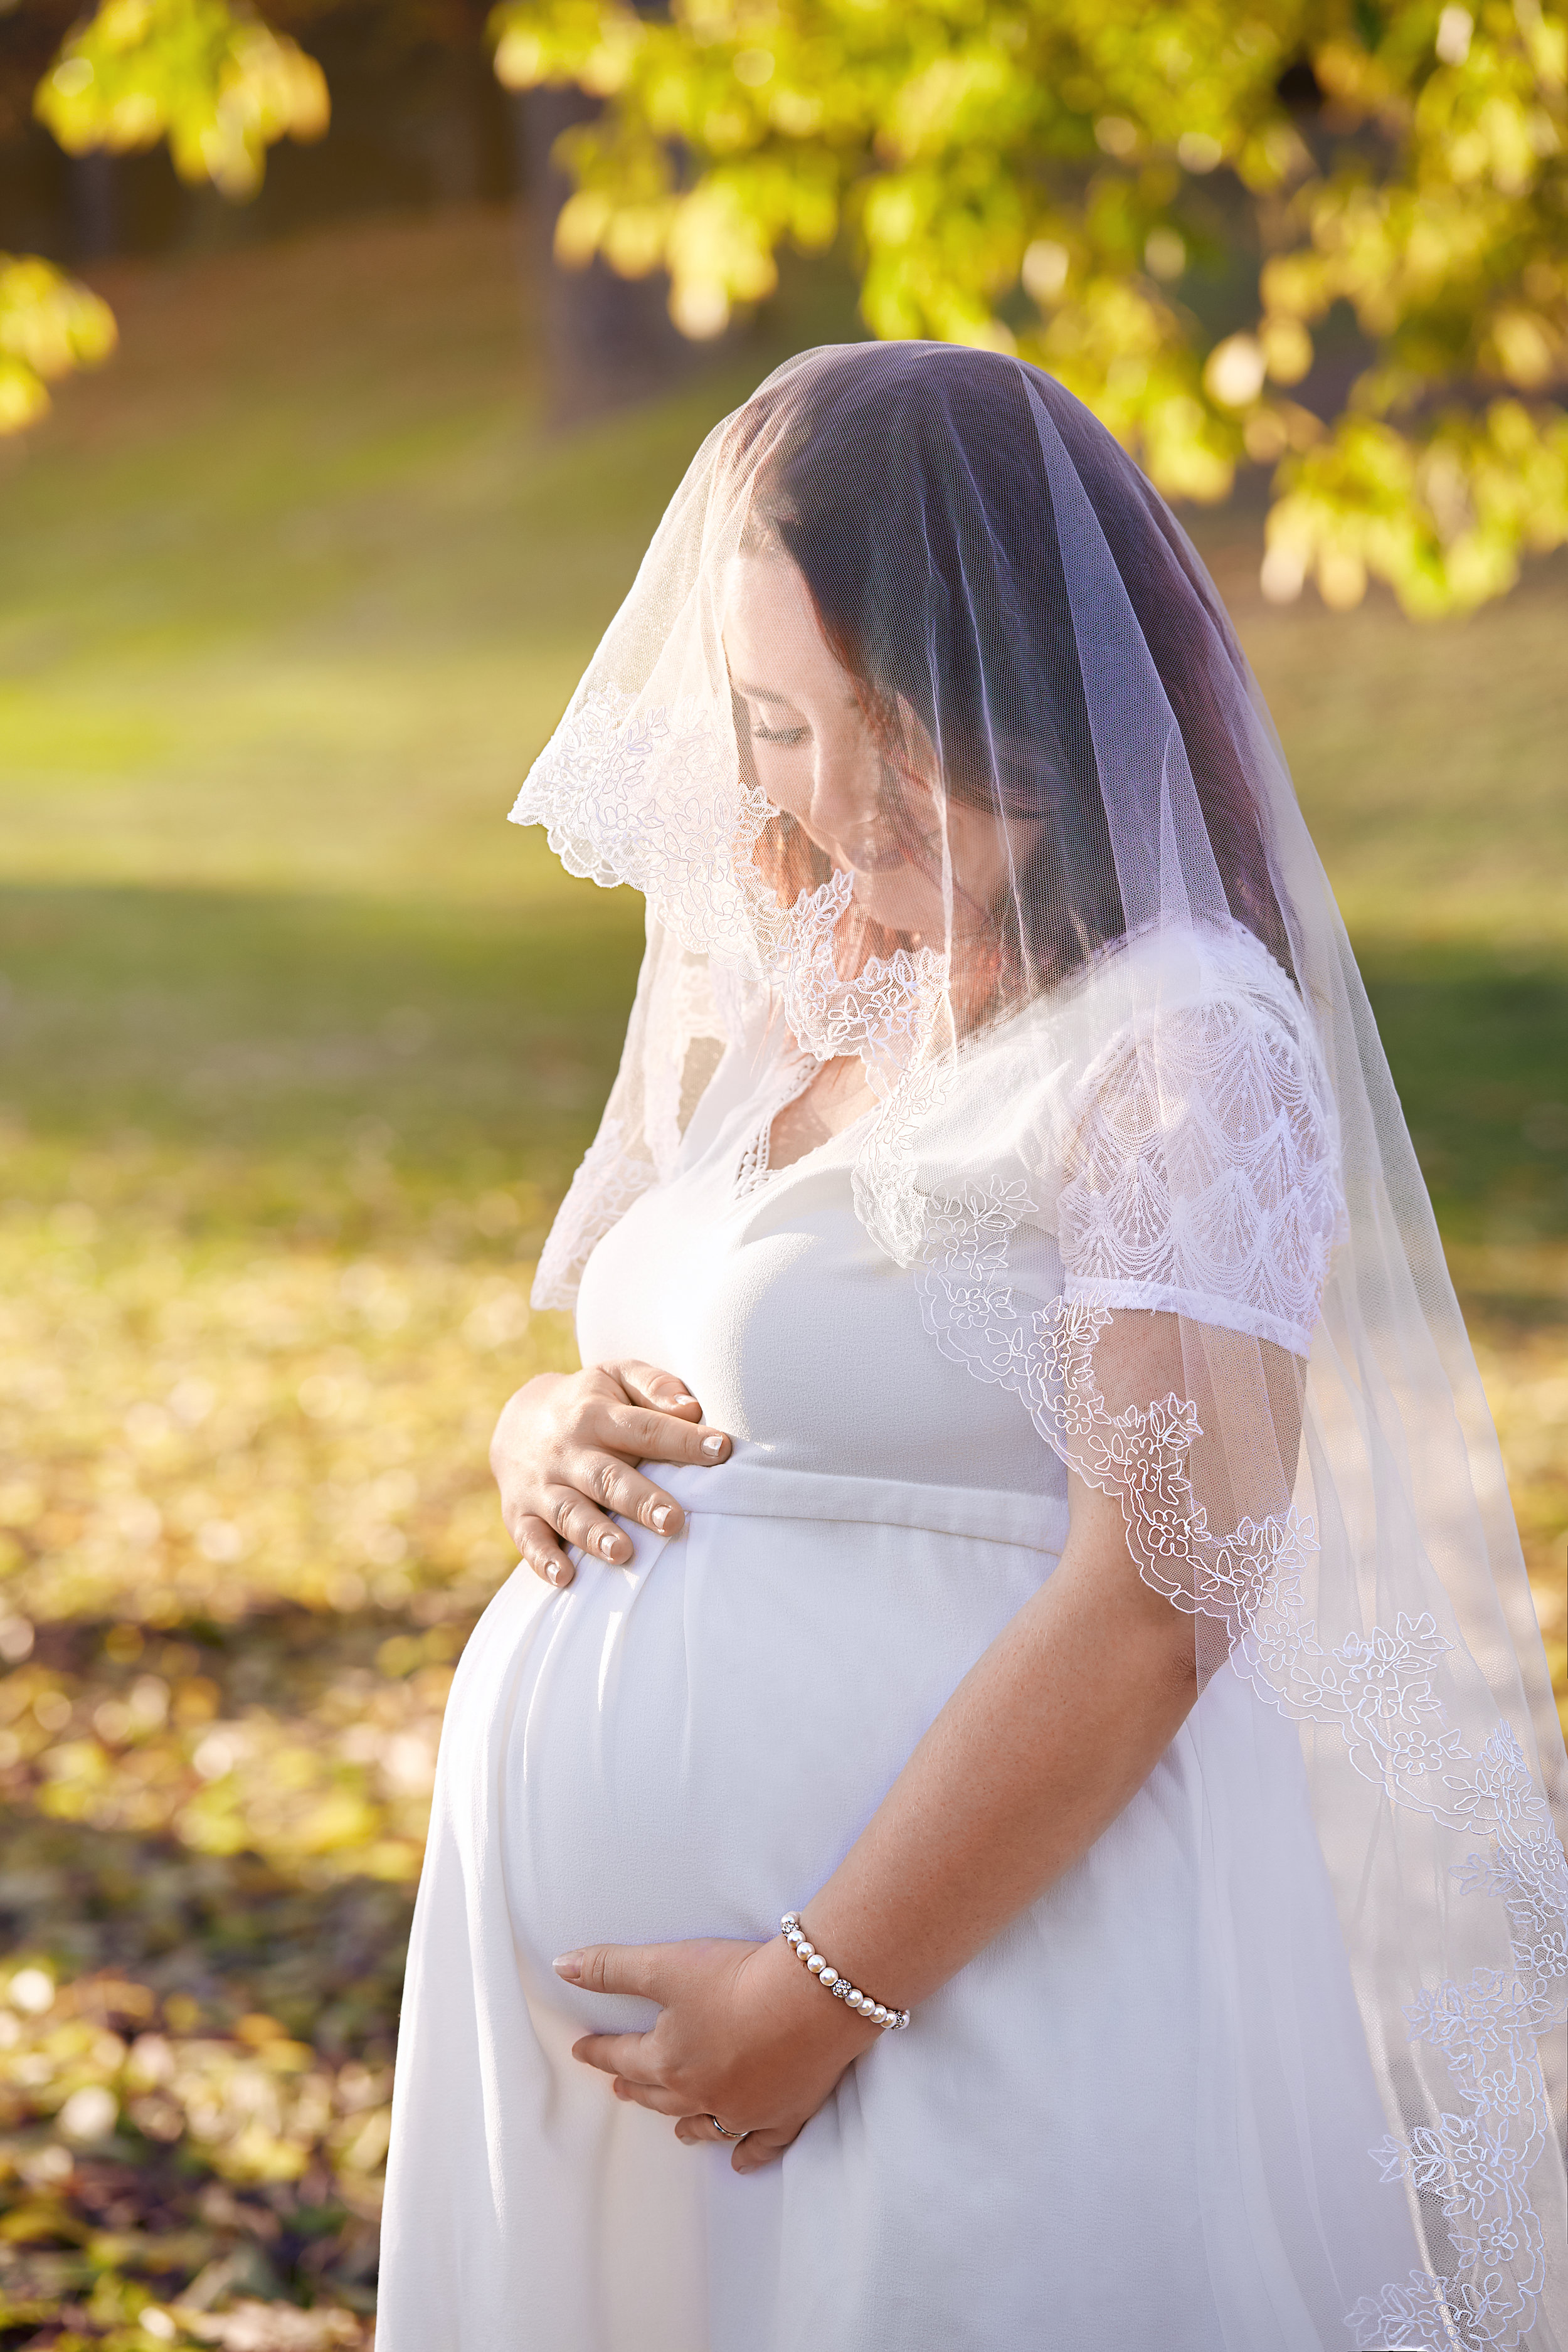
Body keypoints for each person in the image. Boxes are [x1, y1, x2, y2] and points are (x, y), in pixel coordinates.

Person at [376, 344, 1568, 2351]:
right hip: (640, 2080)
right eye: (771, 723)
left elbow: (1163, 1603)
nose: (829, 801)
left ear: (1037, 677)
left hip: (961, 2011)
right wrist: (538, 1429)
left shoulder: (1180, 1043)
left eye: (887, 723)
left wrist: (815, 1993)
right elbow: (716, 1340)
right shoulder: (804, 982)